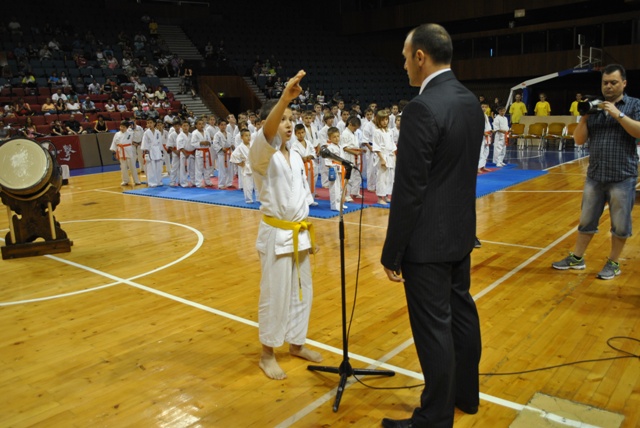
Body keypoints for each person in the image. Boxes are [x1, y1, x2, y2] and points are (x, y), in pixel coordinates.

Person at [380, 23, 483, 428]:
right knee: (462, 314)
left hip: (427, 241)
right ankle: (466, 396)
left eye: (406, 57)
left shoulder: (422, 108)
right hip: (460, 231)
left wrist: (393, 251)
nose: (404, 64)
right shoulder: (469, 100)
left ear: (420, 56)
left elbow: (410, 189)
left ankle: (434, 418)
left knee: (434, 327)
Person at [248, 70, 322, 380]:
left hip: (298, 232)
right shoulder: (261, 154)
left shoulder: (295, 154)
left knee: (302, 292)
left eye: (292, 119)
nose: (289, 123)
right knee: (275, 294)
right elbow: (268, 132)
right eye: (283, 119)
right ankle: (267, 353)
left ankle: (296, 342)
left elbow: (301, 196)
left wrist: (308, 229)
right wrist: (283, 99)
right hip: (276, 232)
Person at [552, 64, 640, 280]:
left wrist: (618, 114)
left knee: (620, 225)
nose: (608, 86)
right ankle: (577, 258)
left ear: (624, 83)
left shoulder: (634, 104)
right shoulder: (595, 107)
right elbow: (579, 140)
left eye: (613, 82)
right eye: (605, 83)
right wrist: (585, 116)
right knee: (586, 220)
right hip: (595, 175)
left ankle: (613, 263)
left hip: (623, 176)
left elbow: (638, 132)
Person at [371, 110, 396, 205]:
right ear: (378, 120)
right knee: (381, 177)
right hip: (382, 156)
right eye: (383, 120)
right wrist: (382, 159)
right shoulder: (377, 132)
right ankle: (379, 198)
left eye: (386, 119)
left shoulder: (390, 131)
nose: (385, 122)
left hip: (390, 156)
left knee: (389, 178)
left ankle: (386, 196)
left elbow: (392, 144)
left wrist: (394, 155)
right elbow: (376, 147)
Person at [292, 123, 318, 207]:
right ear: (295, 134)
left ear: (305, 133)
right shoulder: (294, 145)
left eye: (302, 132)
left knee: (312, 182)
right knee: (303, 184)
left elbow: (313, 152)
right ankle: (304, 201)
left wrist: (310, 156)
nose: (301, 135)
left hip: (311, 165)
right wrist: (302, 158)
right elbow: (295, 156)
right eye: (299, 133)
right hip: (302, 167)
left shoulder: (308, 142)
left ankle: (311, 199)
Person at [110, 121, 142, 186]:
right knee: (123, 167)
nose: (121, 128)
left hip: (128, 150)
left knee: (132, 166)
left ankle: (136, 180)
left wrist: (132, 126)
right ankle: (125, 180)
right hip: (121, 151)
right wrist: (114, 151)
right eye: (121, 126)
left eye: (123, 127)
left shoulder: (130, 133)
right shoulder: (117, 134)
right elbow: (114, 143)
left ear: (127, 128)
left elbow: (135, 135)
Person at [230, 129, 255, 203]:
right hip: (247, 167)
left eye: (249, 135)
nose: (248, 137)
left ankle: (259, 198)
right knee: (248, 185)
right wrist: (240, 163)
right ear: (241, 137)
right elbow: (233, 156)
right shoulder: (240, 147)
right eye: (246, 136)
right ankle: (249, 199)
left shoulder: (253, 144)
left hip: (255, 166)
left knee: (258, 185)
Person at [325, 127, 347, 211]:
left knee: (341, 188)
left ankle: (341, 203)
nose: (337, 138)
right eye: (334, 137)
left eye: (338, 136)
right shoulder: (329, 148)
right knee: (335, 188)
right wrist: (332, 168)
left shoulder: (340, 147)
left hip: (341, 169)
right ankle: (334, 205)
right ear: (329, 138)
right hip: (334, 170)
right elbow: (327, 161)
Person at [141, 119, 164, 187]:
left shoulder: (158, 132)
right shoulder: (146, 133)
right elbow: (145, 143)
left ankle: (159, 181)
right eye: (148, 123)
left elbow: (160, 142)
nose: (149, 124)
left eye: (151, 123)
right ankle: (152, 182)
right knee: (151, 167)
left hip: (157, 150)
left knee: (158, 167)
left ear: (154, 123)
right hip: (150, 150)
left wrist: (161, 151)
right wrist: (146, 153)